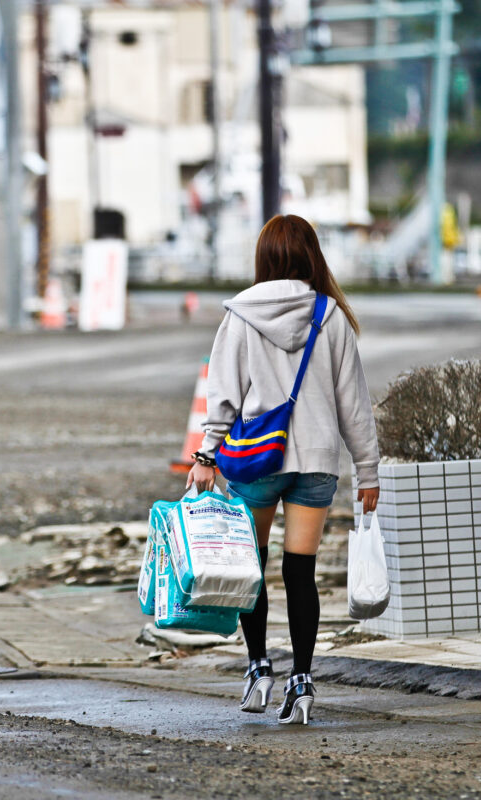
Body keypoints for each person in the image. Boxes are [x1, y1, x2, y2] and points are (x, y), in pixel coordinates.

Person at [186, 215, 379, 725]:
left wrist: (206, 456)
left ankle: (258, 669)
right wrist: (368, 472)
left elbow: (223, 394)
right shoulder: (330, 315)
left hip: (257, 459)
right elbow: (353, 404)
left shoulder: (240, 314)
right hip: (316, 460)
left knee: (252, 570)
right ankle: (304, 683)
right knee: (301, 574)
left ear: (266, 257)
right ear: (311, 255)